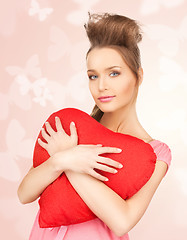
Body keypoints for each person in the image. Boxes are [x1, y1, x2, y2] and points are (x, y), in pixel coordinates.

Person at [17, 12, 172, 240]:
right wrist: (60, 159)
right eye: (93, 76)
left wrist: (71, 161)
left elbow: (122, 222)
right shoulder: (72, 129)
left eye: (114, 73)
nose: (102, 86)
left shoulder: (155, 153)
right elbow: (24, 193)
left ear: (138, 76)